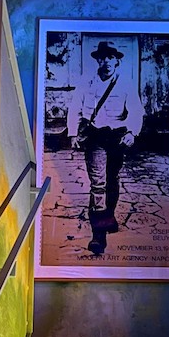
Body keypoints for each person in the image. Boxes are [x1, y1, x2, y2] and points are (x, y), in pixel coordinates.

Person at [67, 40, 144, 255]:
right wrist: (73, 133)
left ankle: (108, 216)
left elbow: (136, 110)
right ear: (98, 60)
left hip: (117, 138)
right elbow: (75, 108)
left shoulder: (126, 83)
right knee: (98, 184)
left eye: (111, 57)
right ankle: (98, 236)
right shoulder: (87, 82)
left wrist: (131, 132)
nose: (107, 61)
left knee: (112, 180)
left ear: (117, 61)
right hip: (96, 137)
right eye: (103, 57)